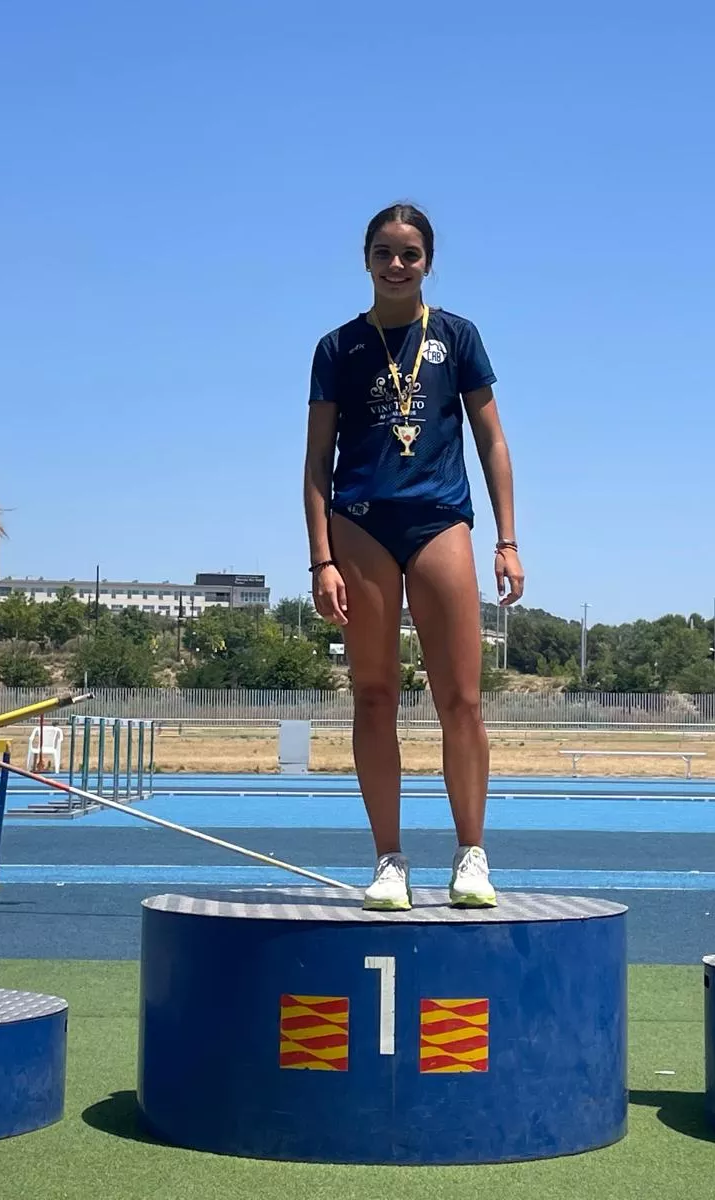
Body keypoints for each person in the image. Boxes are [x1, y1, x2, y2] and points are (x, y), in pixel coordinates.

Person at [303, 202, 524, 912]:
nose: (397, 265)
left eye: (410, 254)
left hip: (438, 520)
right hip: (361, 523)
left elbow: (491, 441)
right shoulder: (337, 347)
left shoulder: (457, 337)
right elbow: (315, 464)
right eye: (384, 253)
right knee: (373, 696)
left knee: (459, 698)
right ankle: (389, 859)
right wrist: (321, 560)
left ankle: (471, 853)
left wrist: (508, 539)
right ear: (365, 259)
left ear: (429, 261)